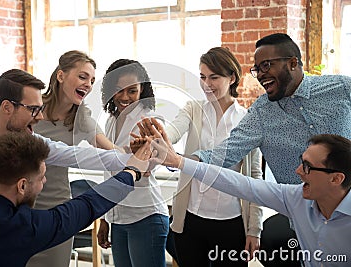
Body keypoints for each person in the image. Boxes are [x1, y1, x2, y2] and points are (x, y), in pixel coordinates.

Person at [186, 33, 351, 266]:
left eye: (266, 65)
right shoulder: (261, 113)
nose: (260, 74)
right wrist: (177, 160)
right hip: (301, 220)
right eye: (257, 69)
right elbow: (225, 154)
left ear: (293, 62)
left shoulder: (342, 89)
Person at [147, 119, 351, 267]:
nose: (297, 171)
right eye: (301, 161)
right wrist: (179, 162)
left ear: (336, 179)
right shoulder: (295, 198)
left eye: (307, 166)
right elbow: (241, 185)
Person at [0, 131, 152, 267]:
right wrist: (132, 172)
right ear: (22, 186)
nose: (44, 181)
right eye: (41, 177)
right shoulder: (23, 227)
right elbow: (86, 206)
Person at [0, 68, 132, 195]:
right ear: (7, 107)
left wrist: (135, 160)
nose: (40, 117)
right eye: (33, 109)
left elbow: (76, 155)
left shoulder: (27, 142)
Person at [164, 47, 263, 266]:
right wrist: (159, 137)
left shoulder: (247, 120)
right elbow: (172, 132)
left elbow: (255, 176)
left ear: (232, 78)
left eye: (214, 77)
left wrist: (254, 229)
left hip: (231, 221)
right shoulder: (193, 109)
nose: (206, 84)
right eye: (202, 77)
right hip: (190, 219)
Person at [26, 51, 116, 267]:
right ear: (61, 76)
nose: (88, 84)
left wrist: (137, 153)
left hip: (57, 208)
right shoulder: (32, 108)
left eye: (92, 80)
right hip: (22, 207)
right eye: (83, 77)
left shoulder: (82, 118)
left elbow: (112, 152)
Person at [97, 59, 169, 267]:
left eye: (132, 91)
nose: (125, 97)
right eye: (119, 90)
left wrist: (144, 156)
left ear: (142, 90)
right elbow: (108, 171)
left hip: (146, 217)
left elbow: (152, 163)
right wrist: (105, 218)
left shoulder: (150, 120)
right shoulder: (111, 120)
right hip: (118, 220)